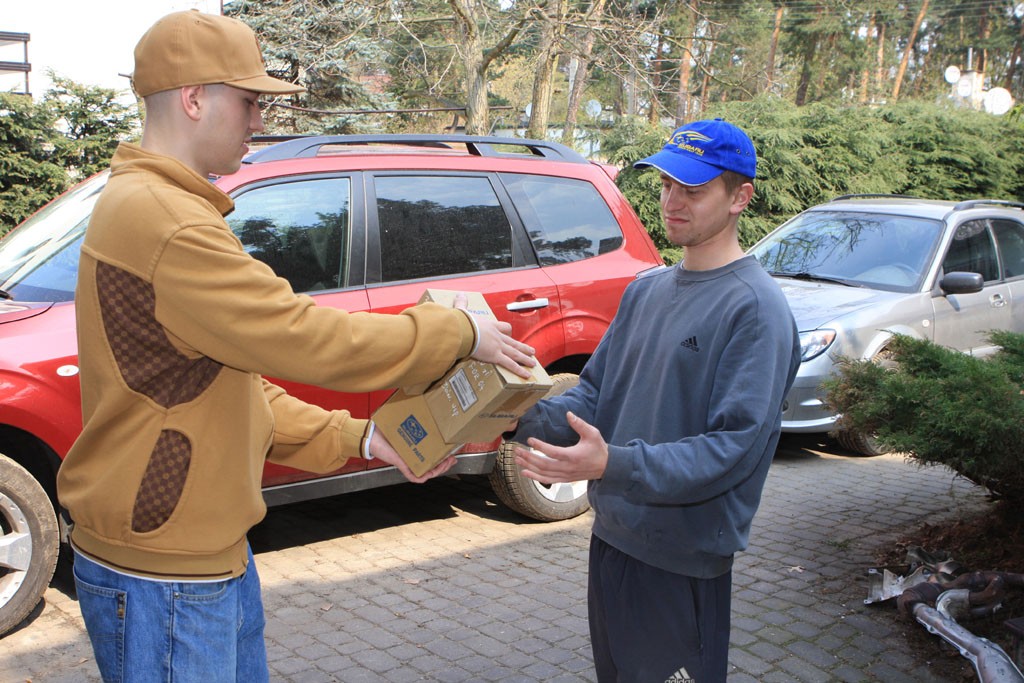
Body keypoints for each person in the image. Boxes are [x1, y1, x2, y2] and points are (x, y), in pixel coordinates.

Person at [56, 10, 535, 682]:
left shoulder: (161, 206)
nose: (259, 122)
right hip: (166, 575)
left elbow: (230, 387)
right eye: (249, 101)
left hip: (199, 555)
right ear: (194, 98)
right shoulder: (165, 220)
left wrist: (363, 439)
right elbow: (304, 338)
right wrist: (456, 332)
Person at [508, 119, 801, 683]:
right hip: (614, 540)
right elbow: (594, 393)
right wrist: (505, 413)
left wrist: (612, 463)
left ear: (741, 196)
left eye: (692, 189)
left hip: (681, 563)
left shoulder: (755, 310)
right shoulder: (646, 290)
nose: (671, 200)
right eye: (667, 184)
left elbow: (733, 447)